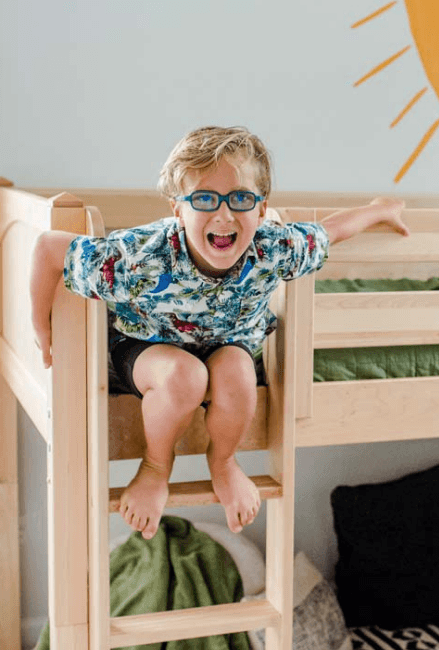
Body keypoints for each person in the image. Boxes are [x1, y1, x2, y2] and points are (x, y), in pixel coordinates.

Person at [30, 126, 409, 538]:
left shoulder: (273, 248)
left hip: (229, 344)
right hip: (145, 346)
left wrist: (381, 209)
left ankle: (224, 462)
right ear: (178, 209)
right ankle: (156, 467)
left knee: (239, 375)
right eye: (205, 198)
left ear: (262, 209)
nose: (224, 215)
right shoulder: (139, 257)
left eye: (241, 198)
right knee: (184, 377)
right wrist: (40, 324)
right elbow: (48, 248)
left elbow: (331, 231)